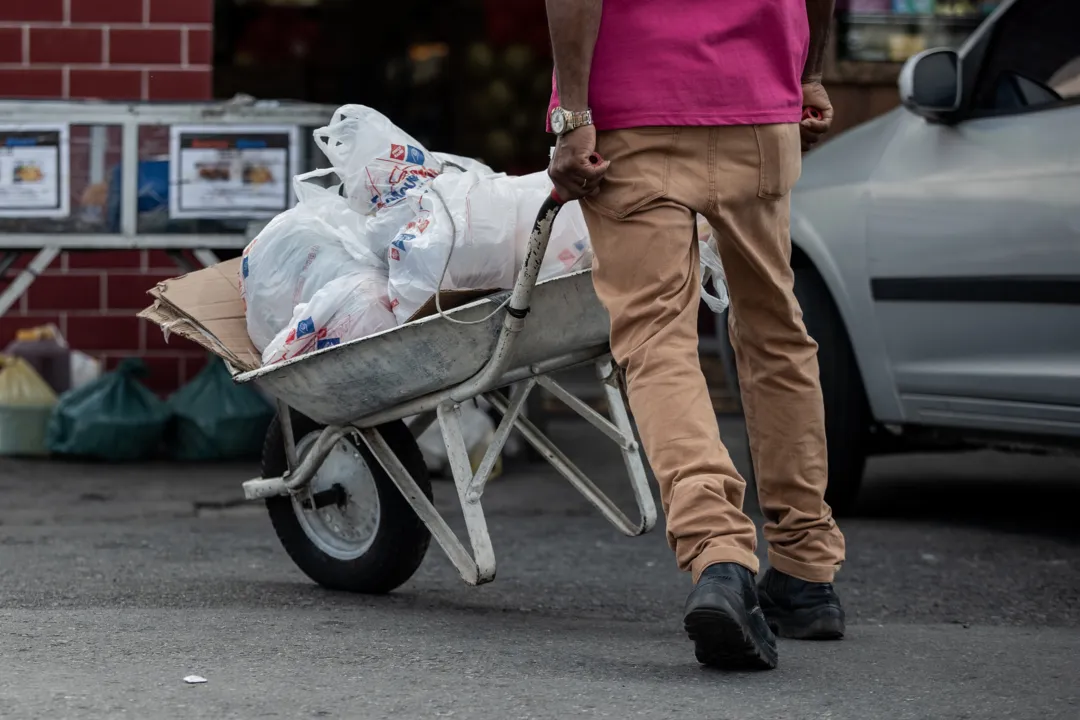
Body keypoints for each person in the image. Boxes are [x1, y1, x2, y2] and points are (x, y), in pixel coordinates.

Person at [545, 0, 846, 670]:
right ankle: (805, 570)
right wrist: (808, 74)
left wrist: (571, 117)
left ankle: (720, 554)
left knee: (656, 339)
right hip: (760, 99)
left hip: (634, 107)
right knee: (776, 331)